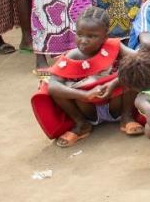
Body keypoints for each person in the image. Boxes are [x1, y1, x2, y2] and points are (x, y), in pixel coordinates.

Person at [40, 8, 142, 147]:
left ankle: (126, 117)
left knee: (134, 71)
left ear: (105, 36)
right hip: (88, 109)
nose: (84, 40)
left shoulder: (113, 47)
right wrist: (84, 94)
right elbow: (53, 86)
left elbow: (141, 61)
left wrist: (114, 82)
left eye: (92, 36)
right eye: (80, 34)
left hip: (116, 105)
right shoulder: (72, 56)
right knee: (51, 87)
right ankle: (81, 124)